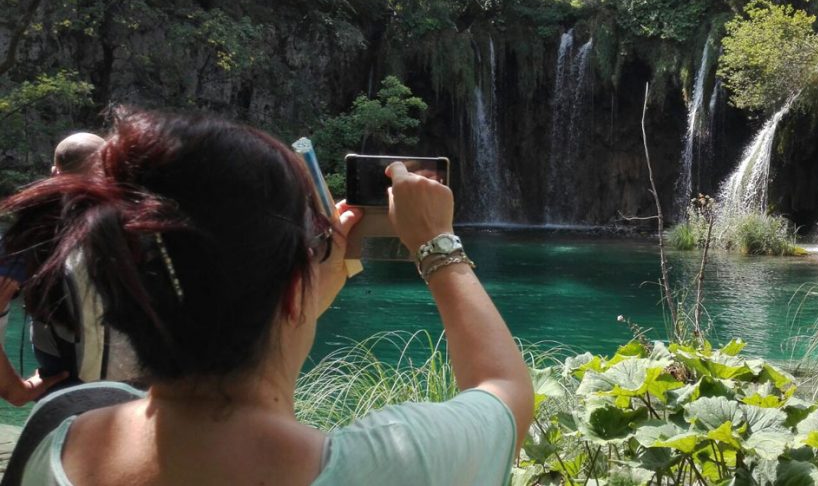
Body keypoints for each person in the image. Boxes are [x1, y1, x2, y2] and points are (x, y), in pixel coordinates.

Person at [2, 109, 533, 485]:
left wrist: (307, 282)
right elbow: (506, 390)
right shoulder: (390, 466)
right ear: (291, 292)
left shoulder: (59, 437)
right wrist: (436, 245)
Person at [0, 132, 108, 406]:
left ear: (54, 174)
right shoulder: (138, 228)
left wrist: (15, 391)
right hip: (132, 398)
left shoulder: (33, 232)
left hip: (64, 391)